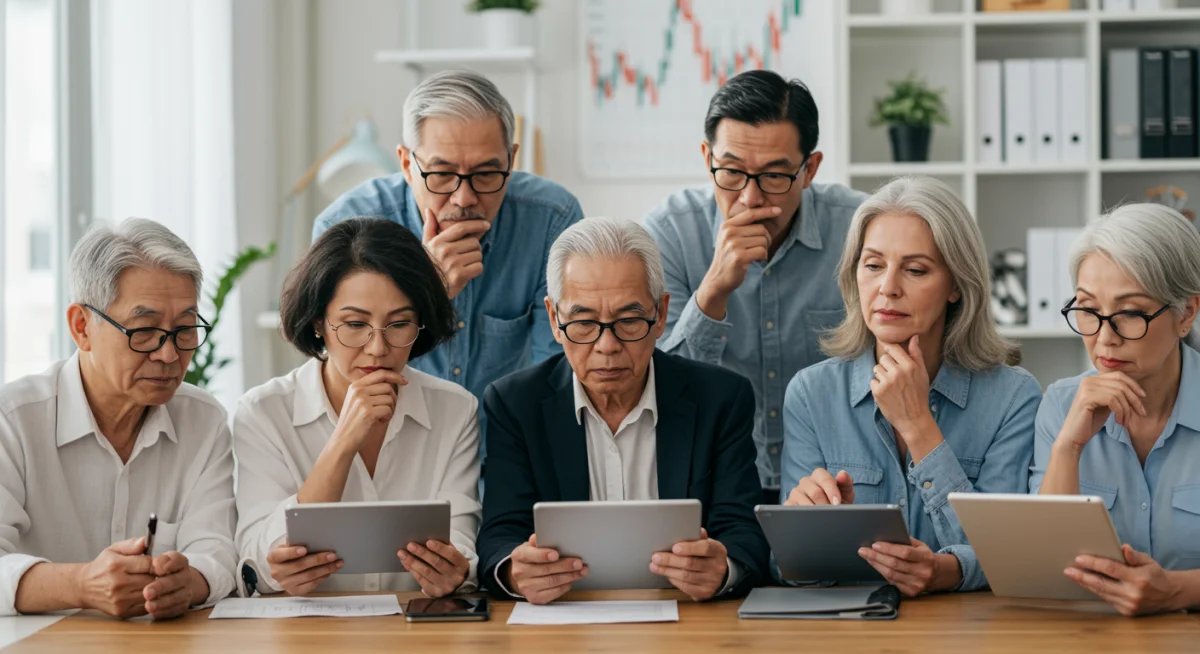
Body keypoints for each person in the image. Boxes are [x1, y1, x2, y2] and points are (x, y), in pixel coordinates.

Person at [475, 218, 770, 605]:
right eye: (583, 322)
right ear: (554, 319)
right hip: (561, 623)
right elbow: (499, 535)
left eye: (629, 321)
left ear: (661, 313)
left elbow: (744, 533)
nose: (607, 346)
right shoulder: (515, 404)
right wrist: (515, 572)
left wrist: (723, 569)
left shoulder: (720, 398)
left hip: (689, 622)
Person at [780, 177, 1041, 597]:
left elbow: (1010, 556)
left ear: (956, 284)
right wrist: (806, 531)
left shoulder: (1013, 397)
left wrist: (918, 426)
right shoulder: (811, 394)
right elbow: (789, 570)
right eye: (873, 265)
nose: (888, 288)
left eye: (915, 269)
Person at [643, 69, 867, 503]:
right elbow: (656, 390)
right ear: (707, 156)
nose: (749, 197)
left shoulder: (860, 229)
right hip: (712, 481)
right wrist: (713, 291)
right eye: (730, 171)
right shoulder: (668, 233)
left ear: (809, 169)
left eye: (773, 176)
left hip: (836, 482)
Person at [0, 219, 237, 618]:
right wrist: (81, 584)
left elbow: (217, 549)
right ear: (82, 328)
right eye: (144, 330)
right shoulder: (13, 421)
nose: (168, 354)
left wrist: (188, 581)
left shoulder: (204, 420)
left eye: (184, 329)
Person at [312, 70, 584, 415]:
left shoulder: (551, 220)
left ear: (511, 161)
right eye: (442, 175)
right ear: (407, 164)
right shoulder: (345, 228)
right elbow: (346, 376)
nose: (465, 198)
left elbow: (560, 371)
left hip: (503, 441)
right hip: (392, 441)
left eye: (486, 173)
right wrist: (427, 293)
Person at [234, 218, 480, 598]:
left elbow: (462, 547)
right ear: (319, 322)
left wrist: (454, 571)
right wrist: (342, 442)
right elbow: (258, 567)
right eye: (354, 324)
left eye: (399, 324)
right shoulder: (264, 413)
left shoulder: (455, 410)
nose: (378, 348)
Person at [1030, 204, 1200, 616]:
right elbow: (1042, 570)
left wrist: (1177, 590)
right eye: (1088, 311)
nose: (1104, 339)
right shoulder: (1060, 404)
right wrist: (1068, 446)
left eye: (1129, 314)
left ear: (1187, 313)